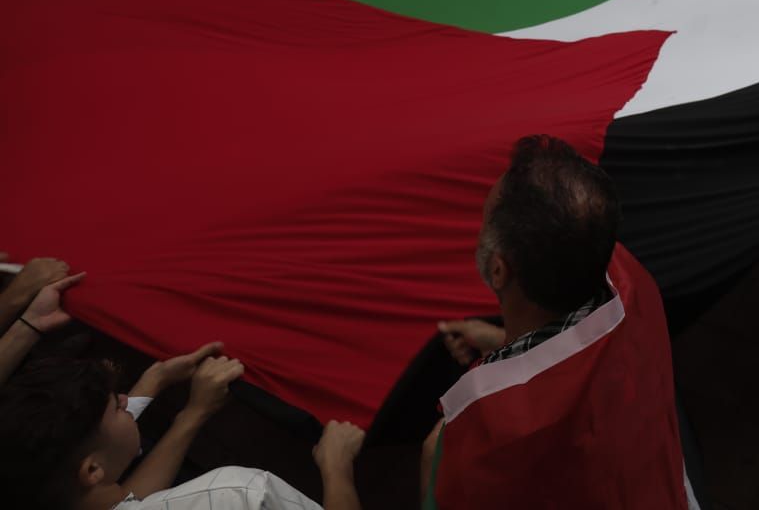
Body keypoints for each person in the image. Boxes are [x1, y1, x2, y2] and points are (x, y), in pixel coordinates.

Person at [426, 137, 693, 509]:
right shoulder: (633, 279)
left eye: (484, 220)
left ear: (498, 270)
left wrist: (337, 472)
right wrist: (503, 342)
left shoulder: (489, 426)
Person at [0, 351, 365, 510]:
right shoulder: (238, 494)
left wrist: (184, 405)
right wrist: (337, 468)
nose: (129, 400)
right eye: (117, 406)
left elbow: (128, 502)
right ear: (92, 470)